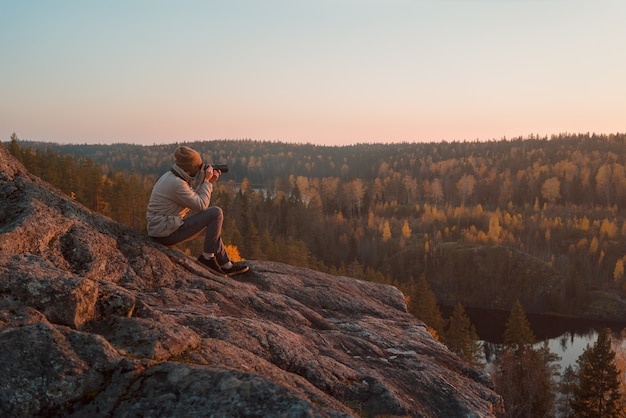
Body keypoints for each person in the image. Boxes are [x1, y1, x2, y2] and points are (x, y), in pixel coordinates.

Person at [146, 145, 249, 276]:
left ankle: (226, 264)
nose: (200, 169)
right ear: (190, 169)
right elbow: (201, 205)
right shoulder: (177, 184)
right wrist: (207, 181)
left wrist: (207, 181)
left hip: (162, 228)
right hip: (165, 233)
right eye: (198, 166)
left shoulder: (171, 177)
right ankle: (207, 258)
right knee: (216, 213)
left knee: (212, 230)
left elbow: (191, 198)